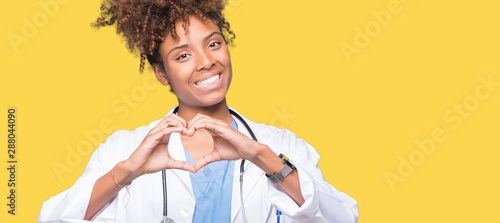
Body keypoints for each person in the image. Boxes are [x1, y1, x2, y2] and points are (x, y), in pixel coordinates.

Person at [38, 0, 358, 222]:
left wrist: (264, 159)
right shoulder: (123, 149)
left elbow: (342, 218)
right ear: (161, 73)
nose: (206, 62)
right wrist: (126, 174)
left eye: (214, 43)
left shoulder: (280, 145)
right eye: (182, 56)